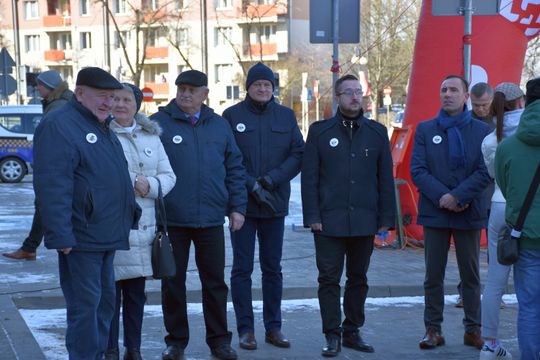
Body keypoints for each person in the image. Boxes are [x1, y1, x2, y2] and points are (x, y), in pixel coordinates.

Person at [33, 67, 140, 359]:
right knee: (85, 309)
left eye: (113, 97)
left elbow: (109, 175)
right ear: (80, 93)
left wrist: (130, 209)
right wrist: (60, 234)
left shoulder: (98, 124)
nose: (109, 103)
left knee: (104, 305)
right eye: (102, 96)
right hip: (81, 237)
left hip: (105, 233)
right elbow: (52, 185)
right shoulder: (59, 125)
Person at [151, 70, 247, 360]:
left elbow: (235, 168)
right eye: (181, 88)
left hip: (211, 220)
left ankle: (219, 341)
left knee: (215, 284)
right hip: (172, 220)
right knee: (172, 284)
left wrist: (237, 207)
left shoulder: (219, 126)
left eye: (192, 89)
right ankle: (176, 342)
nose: (185, 94)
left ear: (206, 93)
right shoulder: (158, 124)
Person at [301, 74, 396, 357]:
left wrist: (386, 218)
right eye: (349, 92)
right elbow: (310, 179)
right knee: (329, 279)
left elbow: (385, 179)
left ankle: (352, 330)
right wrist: (312, 216)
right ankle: (332, 334)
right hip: (328, 221)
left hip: (365, 220)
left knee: (359, 278)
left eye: (359, 92)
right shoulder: (320, 132)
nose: (355, 97)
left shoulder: (377, 132)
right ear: (338, 97)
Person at [222, 62, 304, 351]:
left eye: (267, 85)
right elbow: (227, 156)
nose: (262, 89)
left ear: (273, 88)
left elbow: (298, 154)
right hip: (242, 207)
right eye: (257, 84)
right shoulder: (232, 115)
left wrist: (271, 180)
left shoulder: (285, 115)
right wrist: (250, 184)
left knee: (272, 269)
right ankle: (246, 330)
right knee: (242, 269)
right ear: (248, 87)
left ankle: (274, 327)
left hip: (273, 205)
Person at [411, 75, 491, 350]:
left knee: (470, 274)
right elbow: (418, 171)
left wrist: (458, 196)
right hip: (436, 212)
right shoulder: (425, 129)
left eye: (454, 90)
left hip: (468, 211)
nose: (447, 94)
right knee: (433, 275)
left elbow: (485, 171)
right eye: (443, 89)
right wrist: (444, 197)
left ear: (466, 96)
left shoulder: (482, 132)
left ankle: (473, 329)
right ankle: (433, 329)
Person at [104, 84, 176, 360]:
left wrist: (151, 186)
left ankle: (132, 349)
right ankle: (109, 348)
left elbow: (169, 176)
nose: (120, 104)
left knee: (136, 295)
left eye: (126, 100)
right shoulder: (103, 133)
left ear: (137, 106)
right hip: (113, 226)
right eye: (115, 99)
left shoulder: (151, 137)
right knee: (109, 296)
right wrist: (131, 183)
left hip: (144, 228)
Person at [3, 70, 73, 261]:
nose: (37, 89)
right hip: (58, 164)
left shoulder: (58, 106)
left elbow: (54, 138)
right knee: (43, 205)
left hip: (57, 166)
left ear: (50, 87)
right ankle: (30, 247)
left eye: (40, 85)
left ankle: (41, 247)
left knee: (48, 204)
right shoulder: (59, 103)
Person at [495, 77, 540, 360]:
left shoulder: (508, 146)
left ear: (527, 102)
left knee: (530, 308)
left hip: (524, 239)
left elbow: (503, 182)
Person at [479, 82, 524, 360]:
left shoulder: (490, 139)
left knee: (495, 281)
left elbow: (493, 176)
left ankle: (490, 344)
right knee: (528, 280)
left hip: (497, 207)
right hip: (525, 210)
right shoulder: (530, 130)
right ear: (521, 102)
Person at [455, 81, 495, 308]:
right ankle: (465, 293)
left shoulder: (498, 123)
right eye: (477, 105)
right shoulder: (465, 122)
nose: (481, 109)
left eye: (485, 105)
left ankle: (492, 293)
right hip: (472, 194)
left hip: (492, 195)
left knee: (493, 250)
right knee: (468, 252)